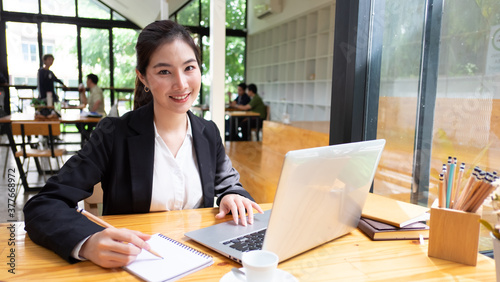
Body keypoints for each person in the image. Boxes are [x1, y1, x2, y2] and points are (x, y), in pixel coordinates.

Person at [23, 20, 263, 269]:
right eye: (164, 72)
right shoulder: (114, 133)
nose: (181, 84)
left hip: (198, 263)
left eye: (189, 68)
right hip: (133, 263)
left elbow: (229, 184)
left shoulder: (208, 132)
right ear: (143, 77)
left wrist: (233, 195)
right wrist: (88, 242)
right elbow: (44, 204)